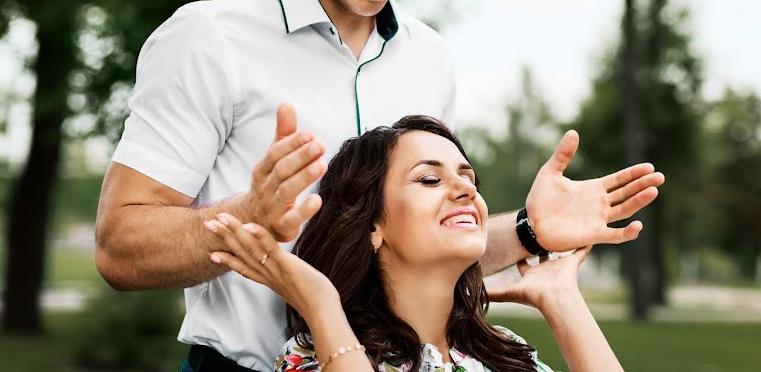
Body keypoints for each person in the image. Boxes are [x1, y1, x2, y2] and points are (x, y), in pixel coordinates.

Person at [95, 0, 663, 372]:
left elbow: (404, 250)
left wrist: (526, 232)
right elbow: (119, 246)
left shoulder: (430, 59)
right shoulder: (209, 40)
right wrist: (251, 218)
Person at [206, 115, 624, 372]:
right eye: (430, 179)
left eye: (469, 178)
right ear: (372, 226)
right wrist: (320, 303)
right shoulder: (319, 355)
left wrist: (561, 297)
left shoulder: (507, 355)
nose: (464, 189)